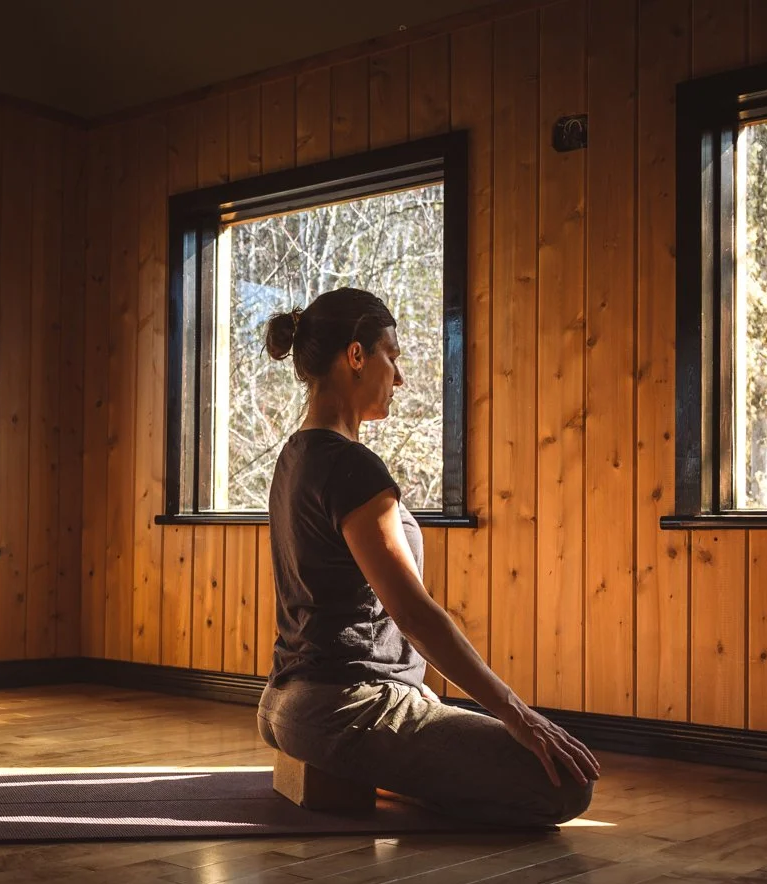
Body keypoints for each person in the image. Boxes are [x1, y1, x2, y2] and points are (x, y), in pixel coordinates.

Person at [257, 286, 600, 827]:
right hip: (348, 709)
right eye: (392, 356)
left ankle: (393, 774)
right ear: (356, 355)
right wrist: (517, 713)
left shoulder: (293, 456)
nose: (399, 377)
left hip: (283, 702)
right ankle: (400, 775)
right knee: (565, 785)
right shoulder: (351, 467)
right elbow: (414, 615)